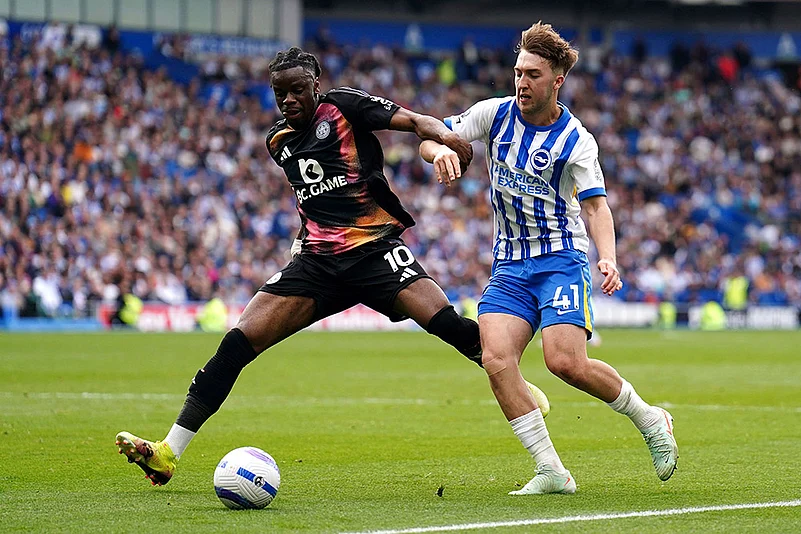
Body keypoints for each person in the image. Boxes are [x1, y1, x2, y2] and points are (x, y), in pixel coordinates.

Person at [115, 46, 548, 486]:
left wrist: (448, 142)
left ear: (315, 86)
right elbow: (313, 200)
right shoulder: (277, 142)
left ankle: (515, 383)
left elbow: (417, 121)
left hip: (375, 251)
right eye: (280, 93)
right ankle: (167, 453)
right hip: (318, 264)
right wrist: (301, 238)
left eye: (297, 90)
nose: (289, 100)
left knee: (447, 324)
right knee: (236, 345)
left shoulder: (344, 106)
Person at [420, 22, 678, 494]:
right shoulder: (494, 114)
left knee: (564, 362)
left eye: (533, 75)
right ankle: (551, 471)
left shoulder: (576, 140)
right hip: (509, 264)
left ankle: (649, 418)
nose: (521, 82)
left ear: (557, 81)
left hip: (560, 258)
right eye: (518, 72)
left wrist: (608, 257)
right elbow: (428, 134)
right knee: (497, 360)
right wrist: (438, 150)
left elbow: (596, 206)